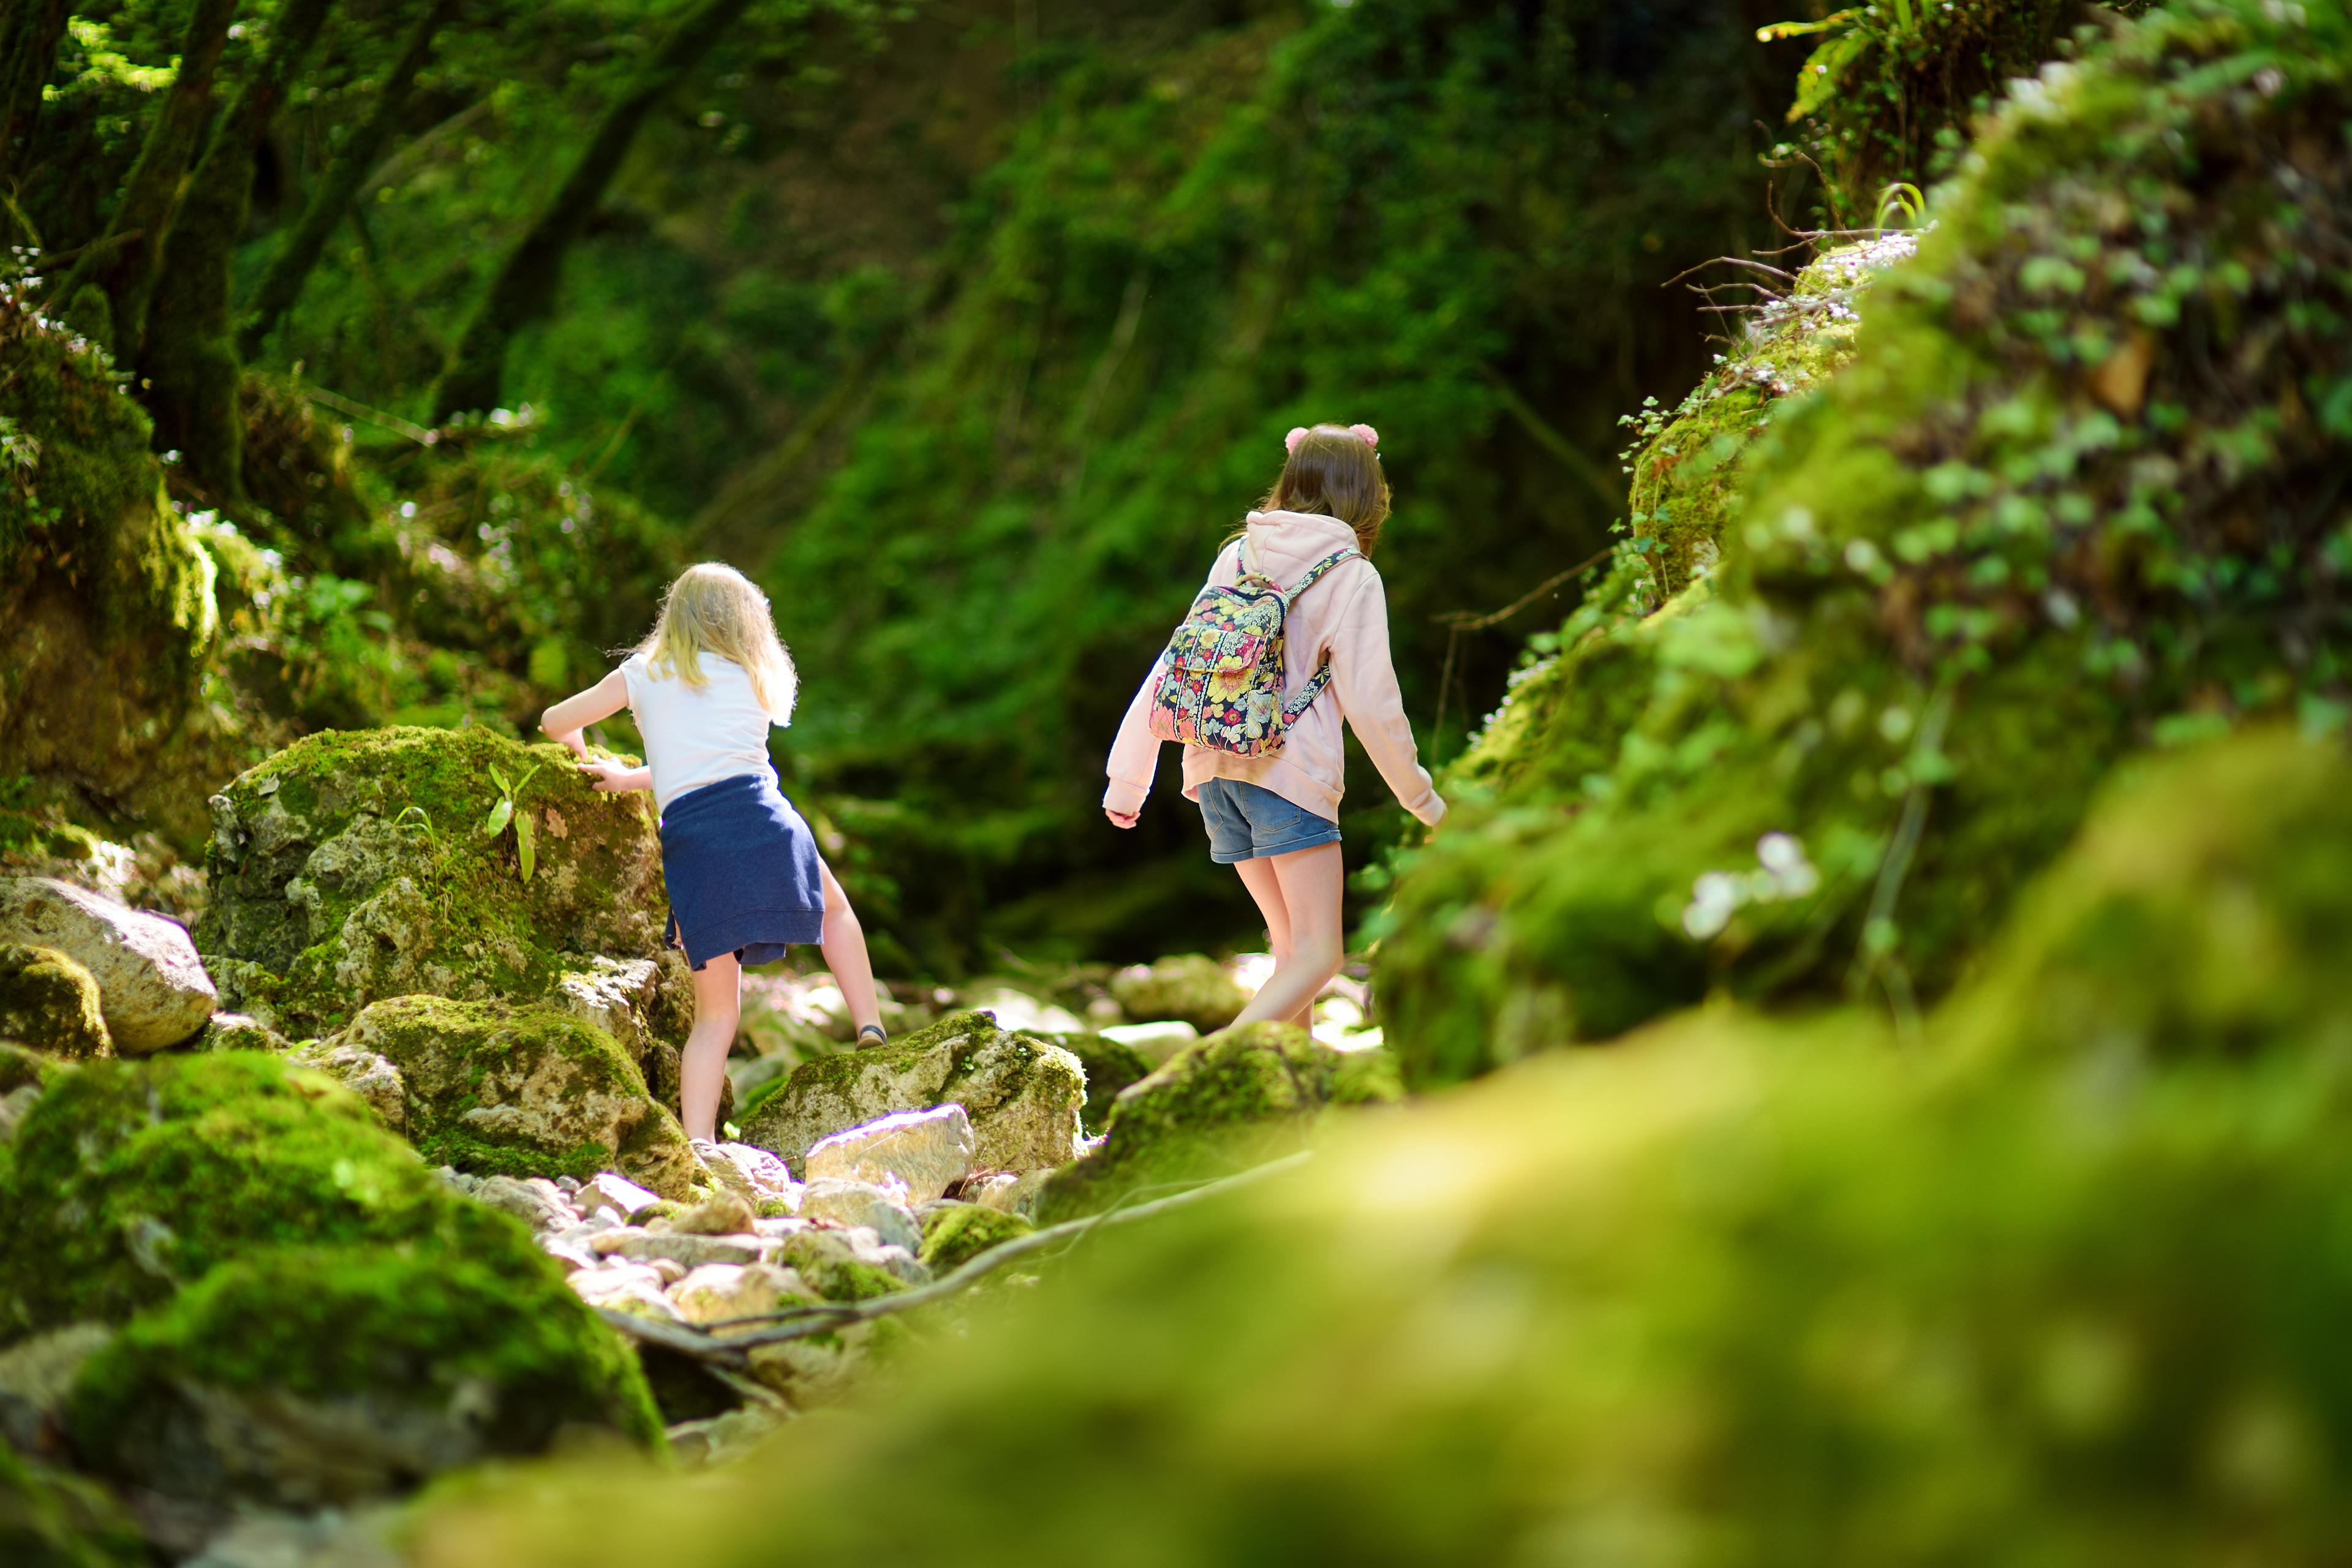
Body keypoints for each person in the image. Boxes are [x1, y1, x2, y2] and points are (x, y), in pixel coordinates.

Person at [1103, 423, 1446, 1029]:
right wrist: (1422, 800)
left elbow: (1176, 662)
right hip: (1288, 775)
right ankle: (1202, 1081)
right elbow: (1372, 702)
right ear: (1369, 495)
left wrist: (1129, 777)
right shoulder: (1351, 573)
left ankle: (1288, 1114)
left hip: (1212, 772)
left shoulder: (1238, 553)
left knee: (1291, 957)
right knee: (1321, 954)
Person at [540, 562, 884, 1150]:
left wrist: (590, 758)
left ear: (672, 615)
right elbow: (720, 760)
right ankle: (870, 1024)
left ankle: (700, 1148)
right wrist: (630, 780)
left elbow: (554, 722)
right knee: (836, 912)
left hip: (697, 842)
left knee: (717, 1015)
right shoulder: (749, 672)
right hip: (763, 819)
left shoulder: (642, 672)